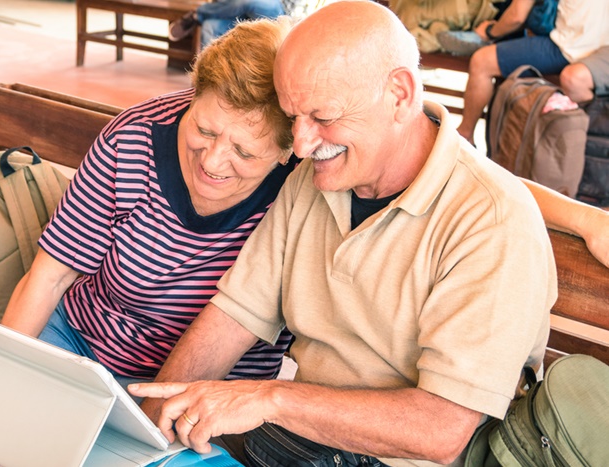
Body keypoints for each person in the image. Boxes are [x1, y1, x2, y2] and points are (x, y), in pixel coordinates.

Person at [130, 2, 599, 465]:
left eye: (322, 116)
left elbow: (440, 430)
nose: (301, 144)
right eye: (294, 117)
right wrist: (150, 436)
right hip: (302, 443)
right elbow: (234, 315)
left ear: (398, 93)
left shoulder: (492, 220)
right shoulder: (317, 179)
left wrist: (271, 399)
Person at [1, 18, 297, 386]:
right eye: (204, 130)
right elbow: (50, 276)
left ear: (291, 149)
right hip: (83, 344)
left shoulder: (302, 185)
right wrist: (0, 379)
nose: (212, 161)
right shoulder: (133, 136)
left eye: (244, 152)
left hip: (211, 387)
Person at [457, 0, 609, 144]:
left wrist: (489, 31)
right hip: (601, 52)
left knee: (481, 61)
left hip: (568, 46)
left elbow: (516, 17)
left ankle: (465, 136)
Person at [168, 0, 286, 49]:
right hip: (240, 13)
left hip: (278, 10)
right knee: (210, 26)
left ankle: (197, 14)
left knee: (249, 1)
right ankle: (207, 82)